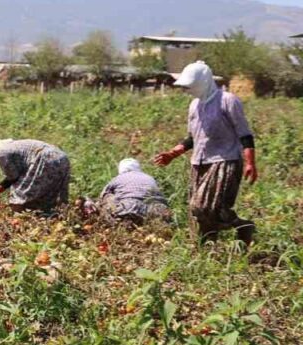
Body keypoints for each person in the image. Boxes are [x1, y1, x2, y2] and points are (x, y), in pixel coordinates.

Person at [152, 60, 258, 244]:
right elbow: (192, 138)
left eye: (191, 86)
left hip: (225, 160)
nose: (188, 90)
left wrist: (250, 162)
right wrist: (172, 154)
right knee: (204, 211)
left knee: (202, 206)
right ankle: (211, 243)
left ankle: (241, 227)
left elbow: (245, 134)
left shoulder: (227, 101)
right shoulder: (194, 105)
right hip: (199, 162)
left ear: (204, 82)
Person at [0, 136, 70, 212]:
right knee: (51, 196)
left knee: (17, 197)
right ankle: (56, 218)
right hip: (61, 157)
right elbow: (18, 174)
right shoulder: (11, 145)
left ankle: (19, 221)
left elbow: (13, 177)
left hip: (45, 158)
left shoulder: (2, 153)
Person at [97, 158, 171, 224]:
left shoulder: (118, 178)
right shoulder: (150, 178)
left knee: (107, 195)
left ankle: (114, 222)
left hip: (129, 207)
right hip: (157, 210)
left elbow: (102, 196)